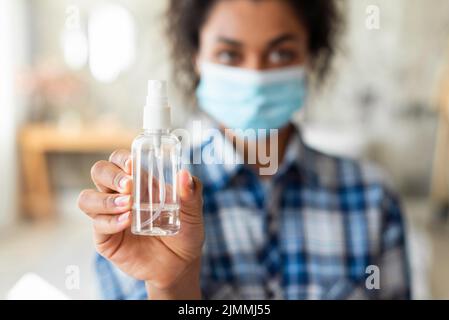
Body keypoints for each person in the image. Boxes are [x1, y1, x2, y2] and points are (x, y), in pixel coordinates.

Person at [78, 0, 411, 299]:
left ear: (309, 56)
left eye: (281, 53)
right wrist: (169, 285)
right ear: (197, 57)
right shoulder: (150, 204)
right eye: (229, 54)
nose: (255, 75)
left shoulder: (372, 199)